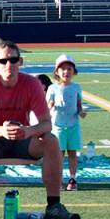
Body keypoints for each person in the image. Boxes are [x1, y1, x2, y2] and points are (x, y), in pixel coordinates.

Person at [0, 41, 80, 219]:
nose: (9, 65)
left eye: (13, 60)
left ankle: (54, 206)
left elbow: (46, 123)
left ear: (20, 62)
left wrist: (28, 130)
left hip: (24, 140)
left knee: (51, 140)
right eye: (3, 60)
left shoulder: (31, 84)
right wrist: (2, 131)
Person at [45, 54, 87, 191]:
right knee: (59, 155)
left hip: (73, 125)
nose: (66, 72)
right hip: (58, 126)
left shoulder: (76, 87)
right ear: (56, 72)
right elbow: (47, 105)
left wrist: (81, 112)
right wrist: (50, 106)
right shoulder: (52, 88)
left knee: (73, 153)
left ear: (74, 71)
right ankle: (58, 179)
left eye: (69, 69)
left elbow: (78, 104)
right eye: (62, 69)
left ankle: (73, 179)